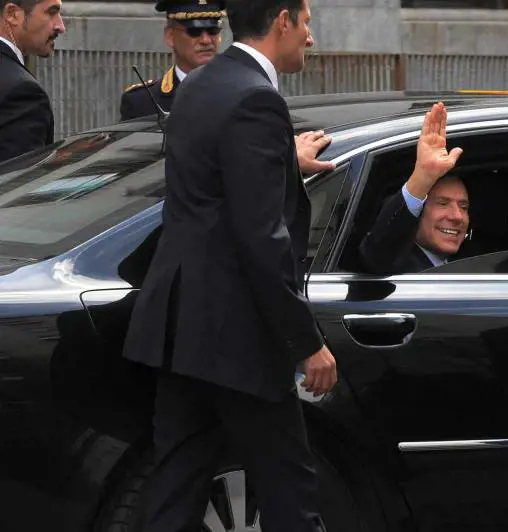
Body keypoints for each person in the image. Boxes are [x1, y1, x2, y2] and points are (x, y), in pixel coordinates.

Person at [119, 0, 348, 530]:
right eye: (306, 23)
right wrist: (305, 341)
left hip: (182, 331)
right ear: (283, 20)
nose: (310, 39)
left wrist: (282, 163)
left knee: (175, 491)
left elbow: (215, 190)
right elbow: (261, 237)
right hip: (239, 336)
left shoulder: (200, 84)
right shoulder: (256, 99)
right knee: (291, 495)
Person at [359, 104, 466, 275]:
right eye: (443, 203)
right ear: (416, 214)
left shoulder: (474, 263)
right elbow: (378, 251)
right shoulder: (396, 264)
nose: (457, 216)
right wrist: (423, 178)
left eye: (464, 207)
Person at [119, 0, 226, 121]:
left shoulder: (239, 92)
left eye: (213, 30)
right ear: (170, 36)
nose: (206, 40)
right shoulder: (142, 102)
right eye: (194, 31)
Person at [0, 0, 64, 164]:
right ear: (12, 14)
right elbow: (18, 177)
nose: (61, 26)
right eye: (51, 12)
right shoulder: (21, 92)